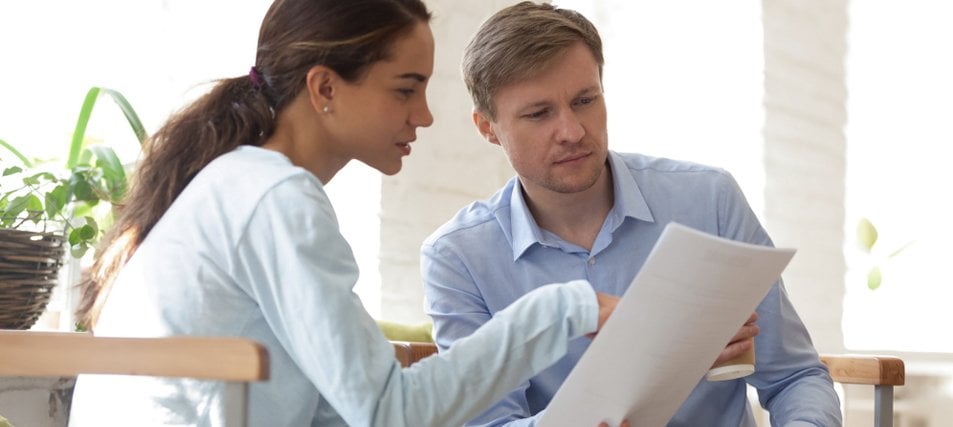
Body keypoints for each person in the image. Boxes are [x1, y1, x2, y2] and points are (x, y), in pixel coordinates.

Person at [66, 1, 624, 426]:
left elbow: (342, 406)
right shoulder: (274, 197)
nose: (425, 115)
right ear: (325, 87)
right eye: (407, 89)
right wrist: (565, 308)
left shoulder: (241, 180)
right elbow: (387, 412)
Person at [421, 2, 843, 426]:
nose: (572, 131)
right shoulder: (459, 258)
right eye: (539, 113)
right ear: (487, 127)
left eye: (585, 100)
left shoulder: (709, 201)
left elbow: (795, 376)